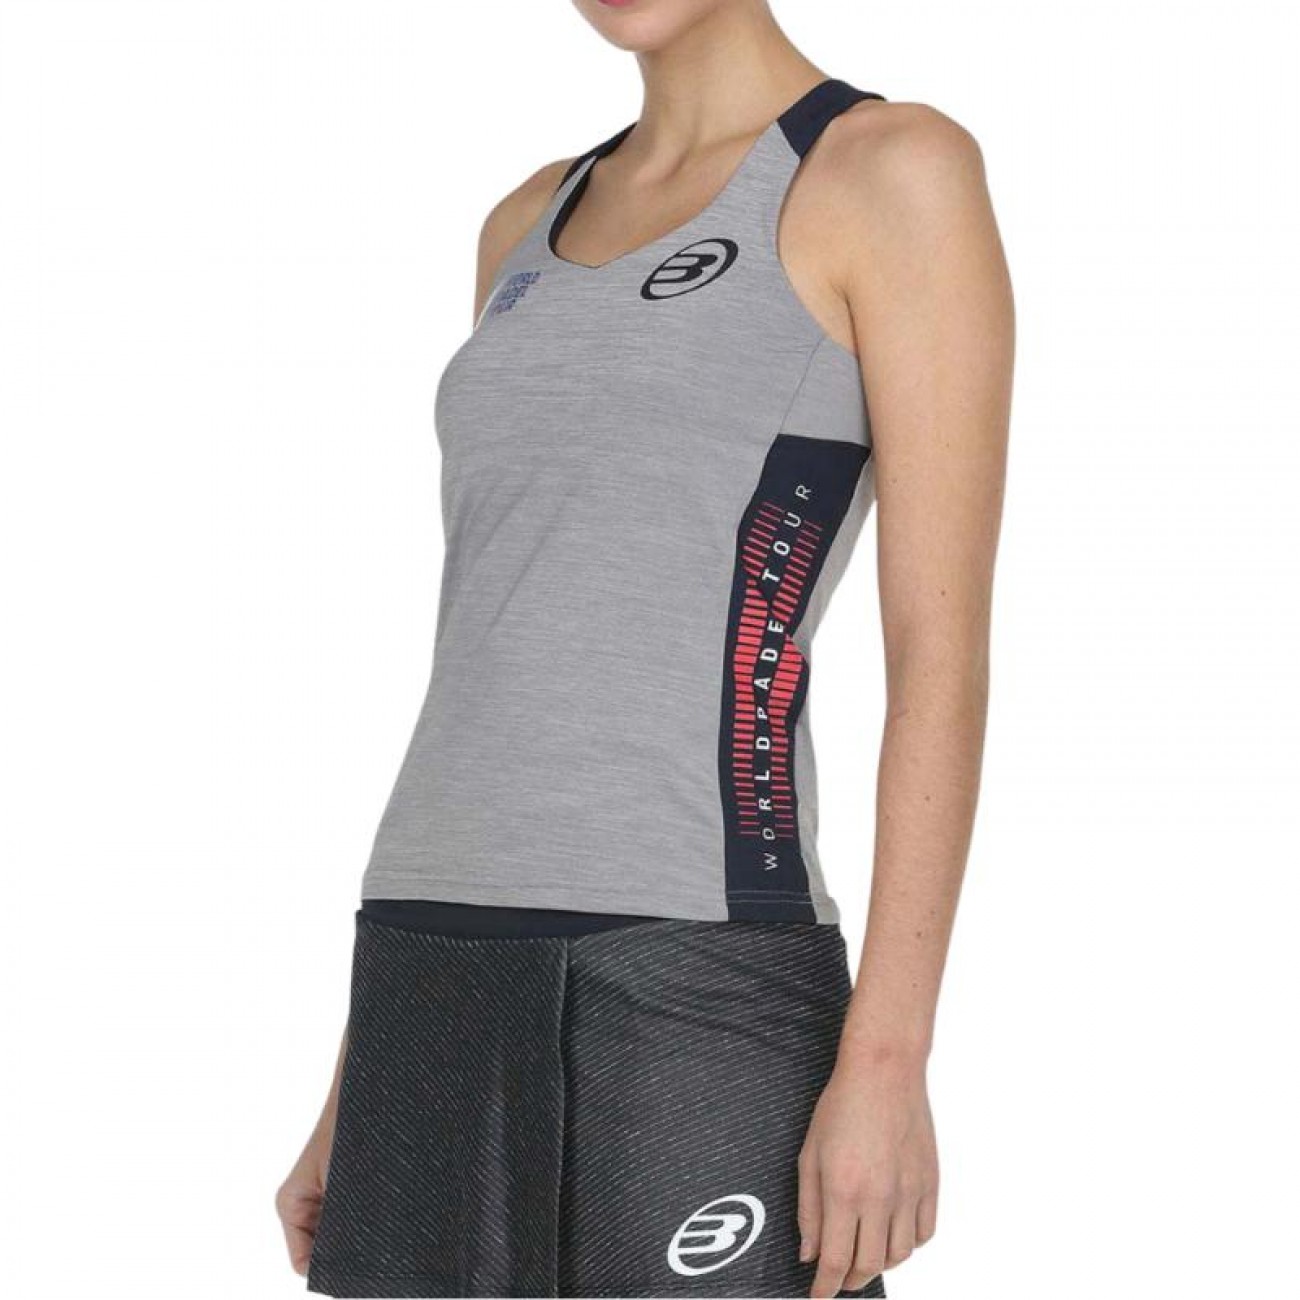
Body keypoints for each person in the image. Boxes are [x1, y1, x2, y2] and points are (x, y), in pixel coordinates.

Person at [275, 1, 1013, 1296]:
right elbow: (496, 643)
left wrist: (888, 1061)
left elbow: (936, 659)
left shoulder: (889, 172)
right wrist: (357, 1075)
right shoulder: (522, 223)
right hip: (421, 961)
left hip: (692, 969)